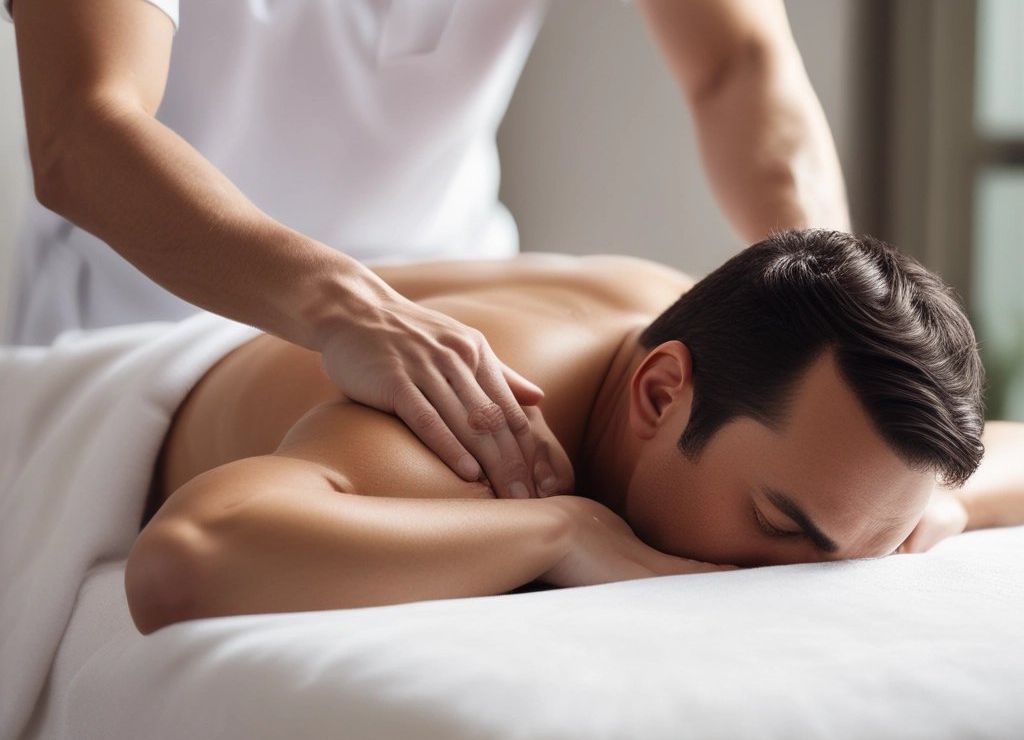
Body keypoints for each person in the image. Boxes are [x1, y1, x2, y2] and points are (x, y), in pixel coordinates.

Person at [3, 0, 849, 504]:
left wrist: (841, 324)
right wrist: (346, 308)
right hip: (156, 324)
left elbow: (740, 66)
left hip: (460, 306)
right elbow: (83, 130)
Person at [125, 231, 1024, 635]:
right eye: (780, 524)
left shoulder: (739, 354)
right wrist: (562, 529)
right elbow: (185, 561)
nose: (801, 579)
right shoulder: (479, 432)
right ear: (660, 395)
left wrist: (922, 514)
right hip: (114, 383)